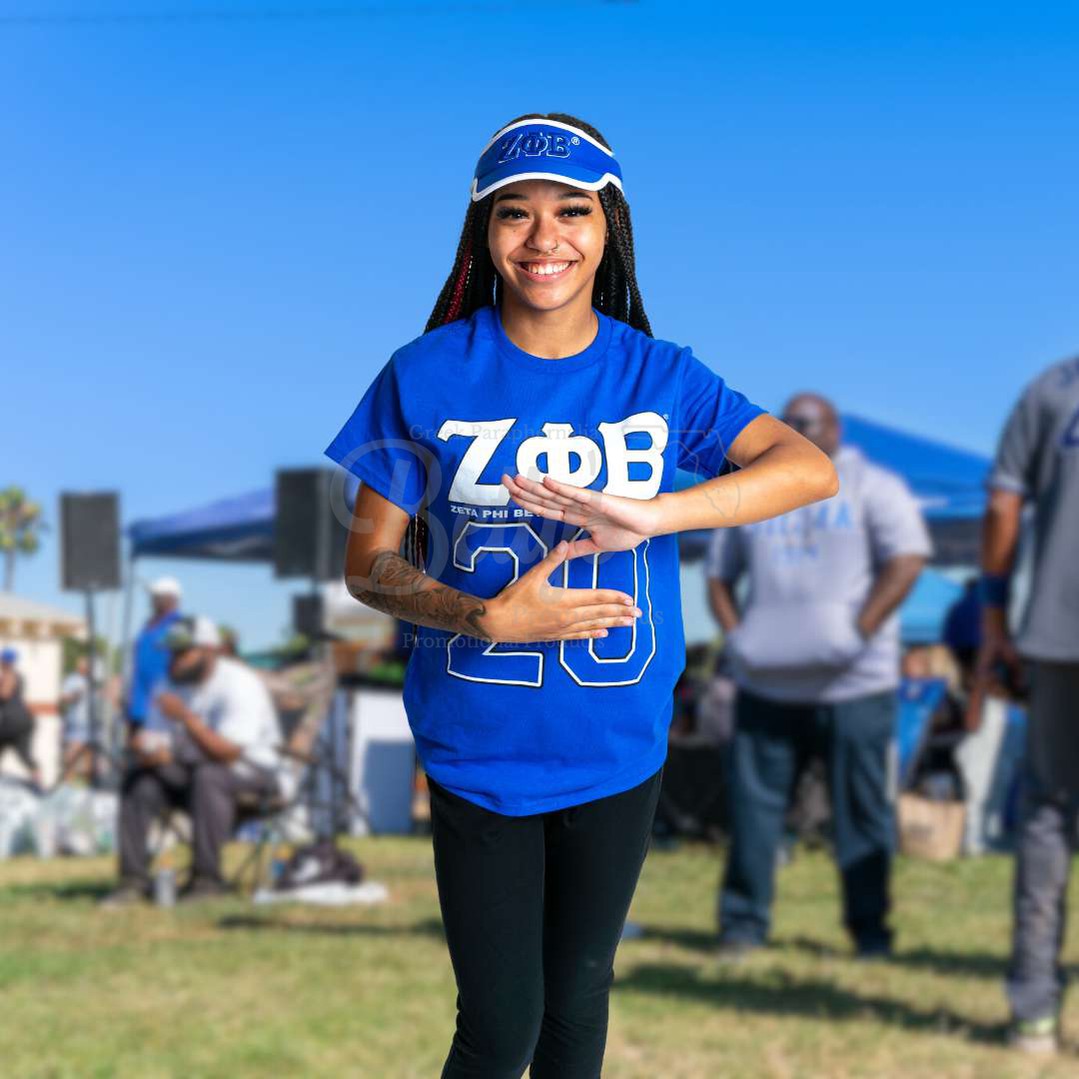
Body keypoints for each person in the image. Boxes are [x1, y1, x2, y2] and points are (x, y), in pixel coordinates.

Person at [324, 112, 838, 1078]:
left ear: (610, 227)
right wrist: (482, 615)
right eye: (514, 214)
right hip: (479, 746)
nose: (543, 238)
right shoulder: (423, 373)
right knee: (501, 1027)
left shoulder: (660, 376)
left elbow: (806, 469)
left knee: (576, 1014)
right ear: (482, 232)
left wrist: (655, 512)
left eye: (570, 211)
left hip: (618, 743)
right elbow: (367, 564)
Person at [707, 392, 931, 959]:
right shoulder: (757, 486)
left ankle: (871, 933)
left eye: (808, 422)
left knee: (861, 813)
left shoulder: (874, 486)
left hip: (856, 685)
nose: (799, 428)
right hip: (767, 684)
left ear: (835, 427)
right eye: (790, 423)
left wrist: (860, 630)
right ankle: (742, 926)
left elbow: (906, 559)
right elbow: (718, 576)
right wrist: (739, 639)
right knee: (754, 810)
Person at [978, 355, 1079, 1054]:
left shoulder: (1051, 388)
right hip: (1055, 637)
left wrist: (992, 618)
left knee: (1046, 813)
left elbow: (1001, 504)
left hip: (1057, 633)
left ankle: (1033, 1014)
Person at [102, 616, 285, 905]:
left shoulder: (239, 684)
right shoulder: (170, 683)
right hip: (194, 771)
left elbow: (229, 753)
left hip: (253, 772)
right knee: (142, 781)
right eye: (172, 652)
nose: (174, 660)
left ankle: (207, 881)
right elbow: (157, 739)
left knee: (208, 775)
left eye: (183, 652)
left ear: (210, 651)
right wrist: (146, 749)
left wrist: (186, 718)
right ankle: (132, 880)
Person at [126, 576, 184, 730]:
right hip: (137, 704)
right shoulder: (147, 625)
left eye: (157, 597)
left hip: (159, 707)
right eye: (153, 597)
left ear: (172, 599)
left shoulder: (178, 624)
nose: (152, 600)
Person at [0, 647, 43, 791]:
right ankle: (38, 782)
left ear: (4, 661)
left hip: (13, 721)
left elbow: (5, 694)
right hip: (24, 719)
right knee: (25, 755)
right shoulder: (17, 675)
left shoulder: (8, 674)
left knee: (21, 753)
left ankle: (36, 782)